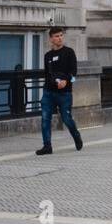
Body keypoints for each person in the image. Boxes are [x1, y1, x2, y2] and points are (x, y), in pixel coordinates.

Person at [36, 26, 83, 155]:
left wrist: (66, 81)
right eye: (56, 36)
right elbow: (47, 74)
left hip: (65, 93)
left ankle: (76, 136)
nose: (59, 38)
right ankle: (47, 146)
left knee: (67, 119)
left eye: (61, 35)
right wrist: (51, 83)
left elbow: (74, 72)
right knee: (45, 118)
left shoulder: (69, 52)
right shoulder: (48, 56)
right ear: (51, 39)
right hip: (49, 93)